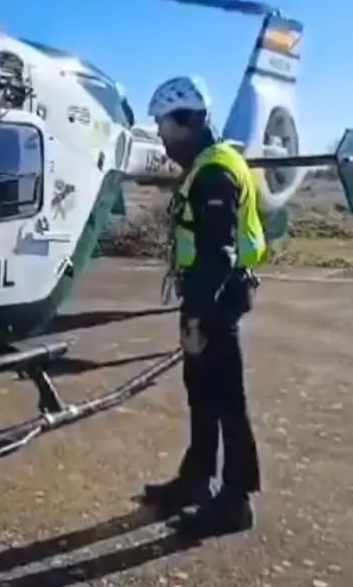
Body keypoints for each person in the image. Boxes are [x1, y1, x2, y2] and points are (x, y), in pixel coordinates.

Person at [139, 75, 265, 536]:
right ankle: (196, 480)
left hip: (215, 297)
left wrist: (197, 312)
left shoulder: (214, 170)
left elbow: (219, 250)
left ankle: (236, 500)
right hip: (207, 294)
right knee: (202, 394)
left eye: (165, 127)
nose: (162, 137)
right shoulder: (207, 163)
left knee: (227, 399)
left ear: (189, 121)